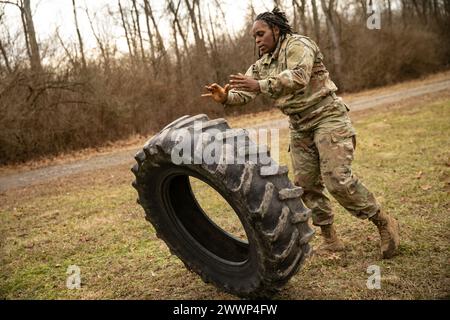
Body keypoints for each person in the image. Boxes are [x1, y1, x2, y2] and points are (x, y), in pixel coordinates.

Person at [202, 8, 399, 259]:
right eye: (254, 37)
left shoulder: (299, 45)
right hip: (299, 125)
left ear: (276, 29)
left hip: (328, 117)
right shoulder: (263, 64)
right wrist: (226, 97)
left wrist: (260, 85)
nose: (257, 40)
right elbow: (246, 91)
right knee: (307, 185)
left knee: (336, 179)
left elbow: (298, 77)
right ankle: (330, 238)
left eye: (261, 34)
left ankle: (383, 222)